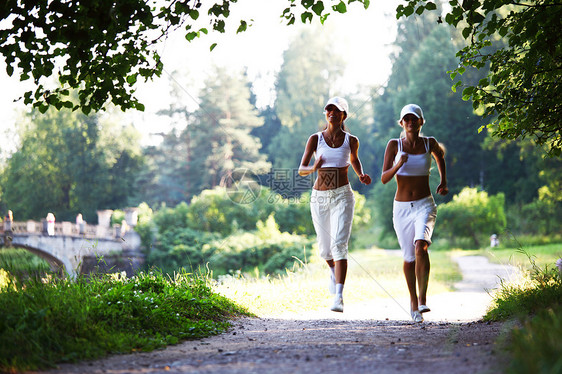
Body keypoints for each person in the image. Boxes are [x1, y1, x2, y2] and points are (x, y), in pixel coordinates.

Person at [299, 96, 372, 312]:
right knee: (325, 249)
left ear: (344, 115)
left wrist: (361, 174)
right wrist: (314, 167)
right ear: (326, 113)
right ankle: (333, 271)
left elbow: (354, 159)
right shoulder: (315, 139)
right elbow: (302, 169)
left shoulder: (352, 140)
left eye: (336, 110)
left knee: (339, 244)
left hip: (342, 195)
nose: (332, 112)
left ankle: (339, 296)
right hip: (319, 197)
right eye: (329, 109)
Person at [381, 104, 448, 323]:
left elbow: (440, 156)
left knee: (421, 245)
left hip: (424, 205)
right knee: (409, 258)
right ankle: (412, 302)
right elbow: (384, 178)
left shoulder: (429, 143)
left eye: (414, 118)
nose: (410, 122)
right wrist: (398, 163)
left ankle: (422, 298)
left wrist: (443, 182)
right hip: (401, 208)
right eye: (406, 119)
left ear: (421, 121)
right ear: (401, 123)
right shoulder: (394, 145)